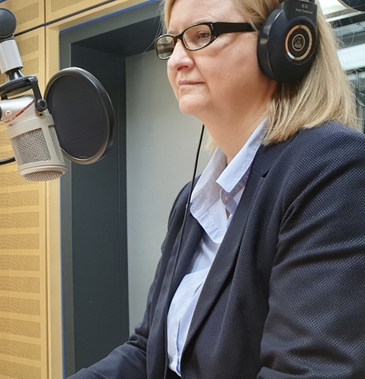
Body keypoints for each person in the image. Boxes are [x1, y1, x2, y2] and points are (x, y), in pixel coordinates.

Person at [70, 0, 365, 377]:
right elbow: (148, 351)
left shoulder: (332, 168)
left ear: (285, 42)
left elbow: (306, 371)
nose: (176, 61)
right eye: (172, 42)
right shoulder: (192, 200)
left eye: (201, 35)